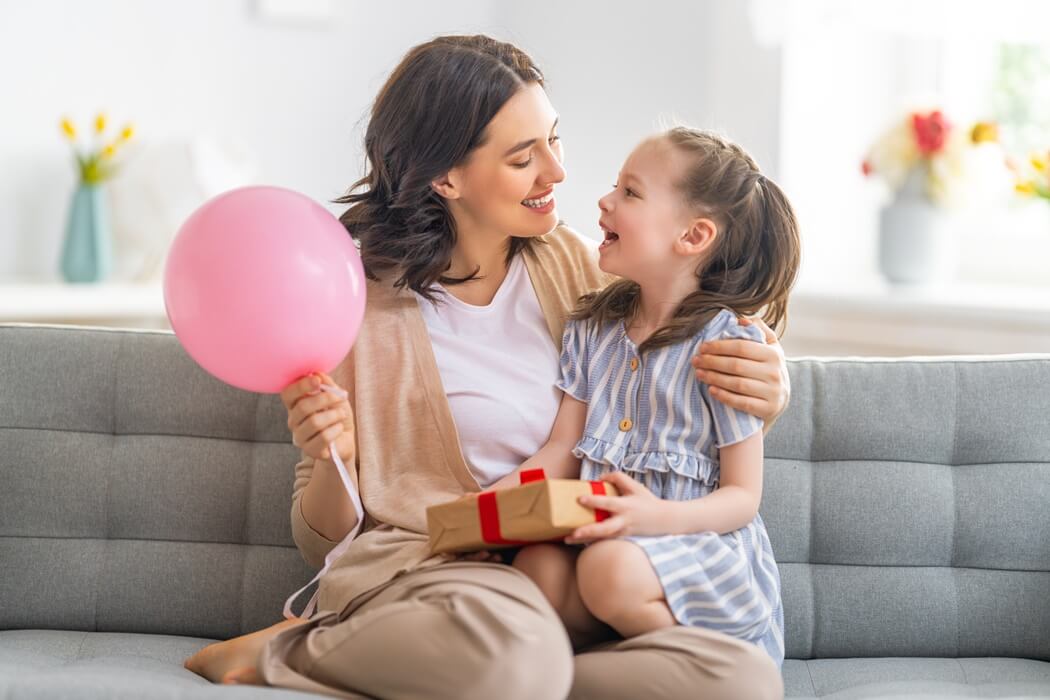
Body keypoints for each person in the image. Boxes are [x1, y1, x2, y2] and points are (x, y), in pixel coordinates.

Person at [183, 34, 790, 700]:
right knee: (515, 649)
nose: (557, 173)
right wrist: (333, 455)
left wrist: (770, 378)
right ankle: (292, 649)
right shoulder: (351, 304)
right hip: (440, 571)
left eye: (554, 140)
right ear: (447, 178)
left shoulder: (580, 271)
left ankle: (518, 682)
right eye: (523, 157)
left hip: (565, 575)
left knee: (744, 680)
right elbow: (318, 537)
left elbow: (681, 341)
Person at [488, 126, 799, 669]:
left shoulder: (727, 347)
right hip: (606, 545)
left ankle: (718, 670)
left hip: (695, 547)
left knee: (608, 570)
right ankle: (613, 667)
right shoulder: (592, 329)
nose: (605, 201)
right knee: (537, 568)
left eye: (630, 192)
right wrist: (485, 511)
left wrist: (654, 517)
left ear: (693, 236)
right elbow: (562, 450)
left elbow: (742, 498)